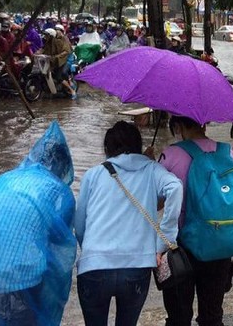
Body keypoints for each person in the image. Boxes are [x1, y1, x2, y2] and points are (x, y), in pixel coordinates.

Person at [75, 121, 183, 326]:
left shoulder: (93, 174)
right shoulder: (152, 169)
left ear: (107, 149)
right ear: (138, 146)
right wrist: (165, 241)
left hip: (94, 267)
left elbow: (80, 226)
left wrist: (91, 251)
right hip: (137, 267)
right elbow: (175, 188)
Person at [0, 121, 76, 326]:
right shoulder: (59, 191)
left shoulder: (5, 178)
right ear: (63, 167)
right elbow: (60, 252)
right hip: (17, 277)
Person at [157, 115, 233, 326]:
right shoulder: (227, 151)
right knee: (212, 317)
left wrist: (151, 167)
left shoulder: (171, 154)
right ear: (204, 123)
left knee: (178, 318)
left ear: (178, 126)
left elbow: (155, 202)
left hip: (180, 249)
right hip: (220, 245)